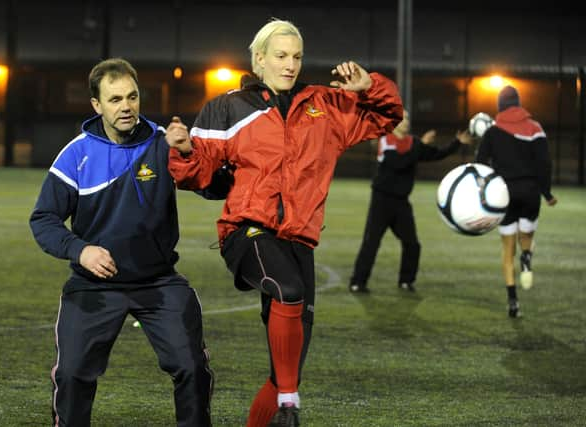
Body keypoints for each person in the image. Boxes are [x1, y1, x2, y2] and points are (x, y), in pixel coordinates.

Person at [165, 18, 403, 427]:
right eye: (280, 55)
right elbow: (197, 175)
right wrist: (185, 150)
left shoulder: (326, 106)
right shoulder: (227, 107)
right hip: (246, 230)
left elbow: (387, 117)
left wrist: (369, 86)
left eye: (296, 56)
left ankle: (281, 397)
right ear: (259, 59)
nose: (290, 64)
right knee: (288, 291)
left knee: (284, 368)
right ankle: (291, 405)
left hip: (299, 241)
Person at [29, 58, 213, 426]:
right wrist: (81, 250)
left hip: (157, 280)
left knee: (193, 368)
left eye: (132, 97)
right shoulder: (76, 155)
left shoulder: (163, 143)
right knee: (72, 374)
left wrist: (189, 153)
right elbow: (44, 220)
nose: (126, 106)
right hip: (94, 285)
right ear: (97, 105)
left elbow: (210, 186)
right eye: (114, 99)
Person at [348, 110, 473, 294]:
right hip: (382, 200)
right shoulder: (385, 140)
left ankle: (406, 281)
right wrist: (420, 145)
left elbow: (436, 154)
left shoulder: (413, 142)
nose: (406, 122)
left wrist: (457, 143)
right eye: (402, 118)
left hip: (401, 203)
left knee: (412, 244)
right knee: (371, 242)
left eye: (407, 118)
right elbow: (397, 162)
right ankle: (357, 282)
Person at [475, 85, 557, 318]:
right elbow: (545, 164)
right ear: (519, 103)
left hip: (505, 194)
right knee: (527, 237)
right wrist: (547, 193)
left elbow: (481, 163)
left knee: (507, 248)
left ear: (500, 105)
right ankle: (528, 257)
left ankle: (513, 302)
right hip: (531, 192)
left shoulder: (492, 131)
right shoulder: (535, 128)